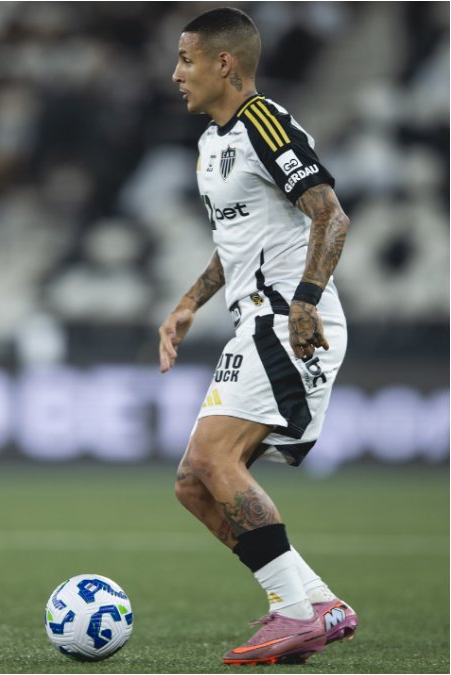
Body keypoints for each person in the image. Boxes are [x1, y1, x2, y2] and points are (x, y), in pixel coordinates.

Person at [160, 7, 356, 666]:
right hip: (257, 318)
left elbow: (330, 215)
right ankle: (318, 602)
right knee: (193, 481)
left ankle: (293, 614)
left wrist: (303, 300)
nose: (175, 73)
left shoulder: (264, 122)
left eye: (186, 60)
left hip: (290, 319)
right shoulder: (210, 145)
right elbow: (235, 245)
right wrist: (188, 303)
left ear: (224, 64)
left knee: (217, 460)